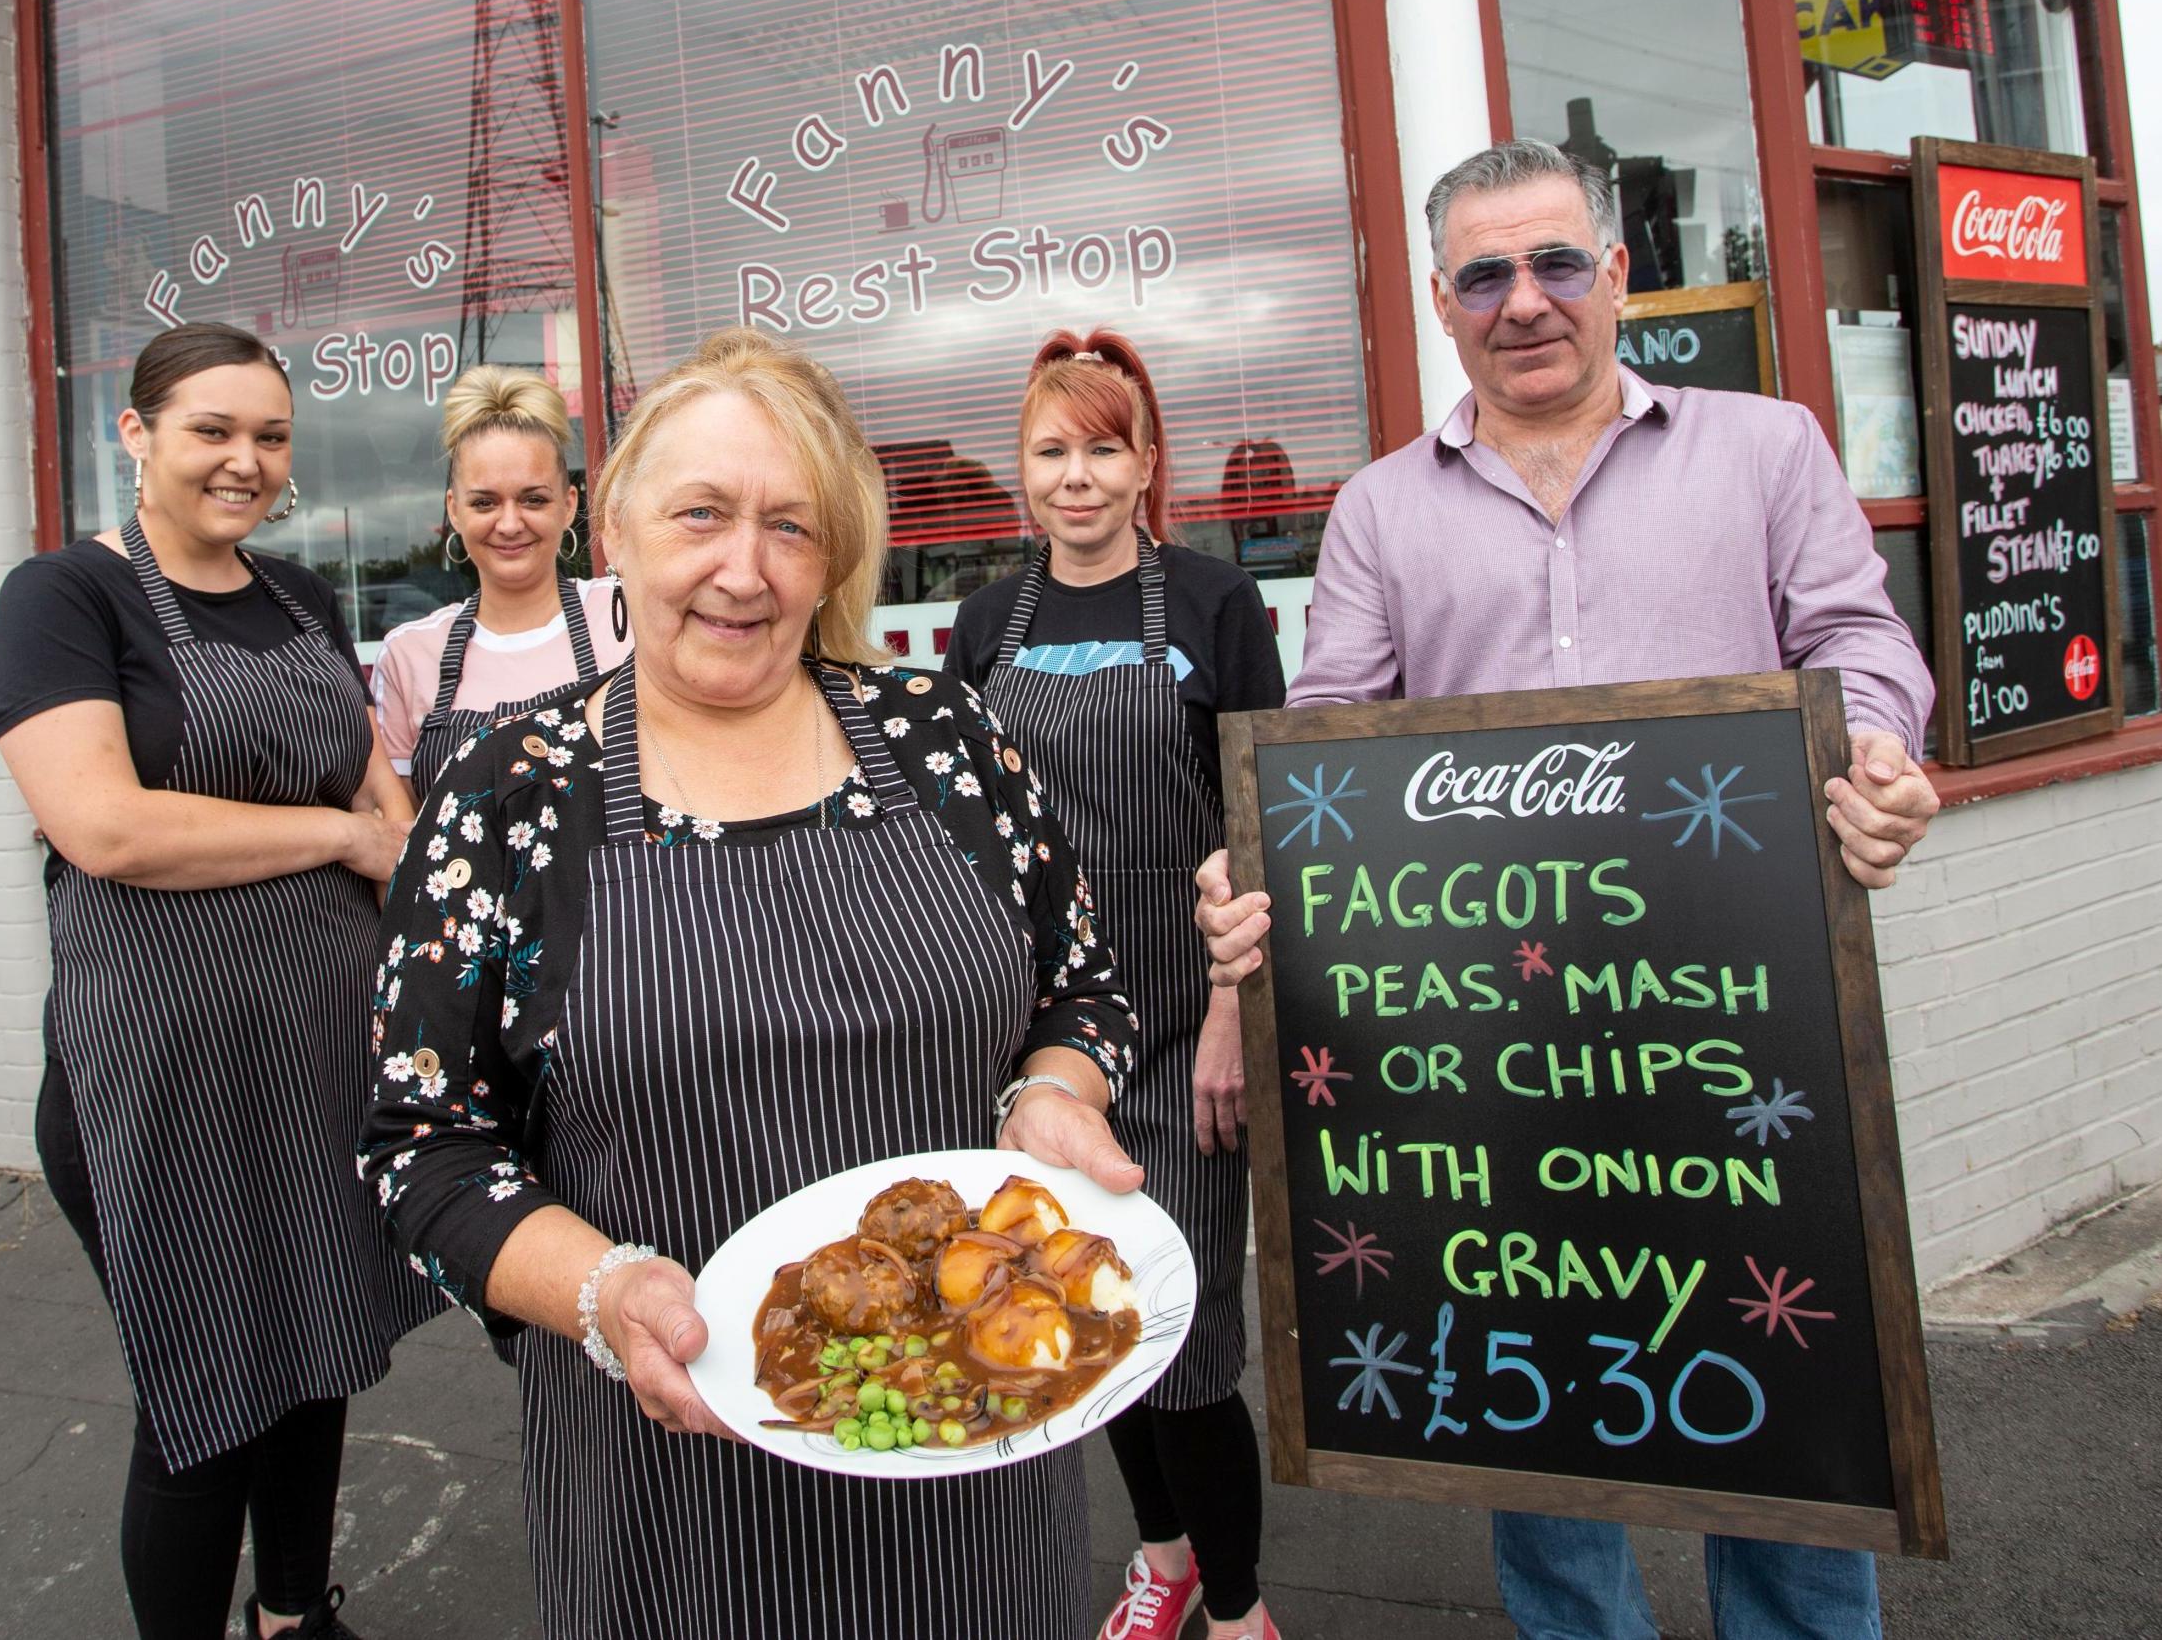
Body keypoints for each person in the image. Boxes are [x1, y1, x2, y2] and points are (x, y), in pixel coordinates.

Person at [1191, 140, 1941, 1640]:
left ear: (1612, 275)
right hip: (1495, 1053)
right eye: (1482, 274)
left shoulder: (1763, 449)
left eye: (1550, 265)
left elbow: (1857, 637)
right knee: (1535, 1419)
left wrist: (1872, 754)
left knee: (1782, 1416)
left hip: (1731, 1023)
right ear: (1438, 301)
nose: (1520, 303)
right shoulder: (1381, 513)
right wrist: (1253, 873)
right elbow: (1327, 747)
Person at [358, 326, 1146, 1639]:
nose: (742, 567)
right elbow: (422, 1148)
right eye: (701, 514)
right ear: (611, 528)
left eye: (789, 526)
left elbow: (1080, 986)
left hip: (970, 1439)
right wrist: (599, 1291)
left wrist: (1056, 1088)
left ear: (833, 554)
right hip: (664, 1487)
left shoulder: (942, 739)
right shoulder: (506, 798)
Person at [0, 322, 442, 1640]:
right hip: (166, 1084)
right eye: (212, 431)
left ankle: (293, 1612)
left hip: (319, 1061)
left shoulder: (290, 592)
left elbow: (372, 783)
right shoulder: (65, 597)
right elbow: (106, 828)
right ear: (136, 434)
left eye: (270, 436)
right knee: (205, 1391)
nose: (246, 460)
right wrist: (339, 840)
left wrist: (400, 860)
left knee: (315, 1352)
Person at [946, 329, 1287, 1640]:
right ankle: (1164, 1556)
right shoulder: (986, 623)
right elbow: (966, 830)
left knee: (1188, 1346)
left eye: (1103, 447)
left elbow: (1259, 825)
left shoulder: (1211, 603)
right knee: (1090, 1320)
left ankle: (1241, 1605)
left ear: (1145, 461)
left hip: (1184, 1011)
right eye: (1051, 451)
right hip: (1041, 1035)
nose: (1076, 476)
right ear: (1023, 475)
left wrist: (1227, 1016)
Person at [371, 364, 630, 799]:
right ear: (454, 510)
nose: (509, 524)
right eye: (485, 502)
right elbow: (405, 828)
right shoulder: (409, 653)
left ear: (568, 505)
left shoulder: (624, 614)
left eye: (533, 499)